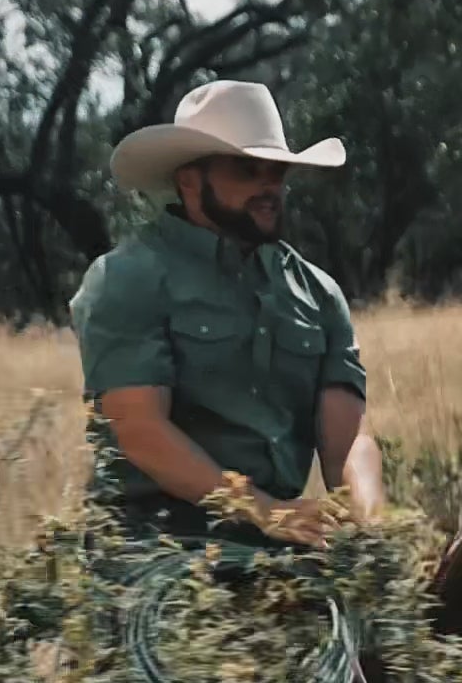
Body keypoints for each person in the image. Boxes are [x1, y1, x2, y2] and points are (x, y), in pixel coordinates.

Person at [70, 80, 385, 556]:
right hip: (153, 543)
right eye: (246, 169)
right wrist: (263, 511)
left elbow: (350, 440)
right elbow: (141, 433)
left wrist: (373, 529)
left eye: (277, 170)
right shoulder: (128, 277)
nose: (269, 186)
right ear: (189, 180)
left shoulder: (317, 294)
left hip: (277, 543)